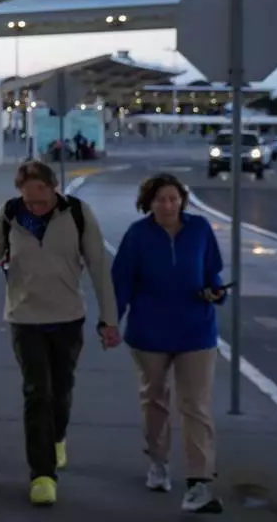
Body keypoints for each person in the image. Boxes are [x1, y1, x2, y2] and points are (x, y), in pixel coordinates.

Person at [0, 159, 120, 507]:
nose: (35, 207)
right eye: (29, 201)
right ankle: (42, 475)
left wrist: (109, 321)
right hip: (25, 318)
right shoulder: (11, 214)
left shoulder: (78, 214)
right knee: (37, 393)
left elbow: (99, 268)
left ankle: (57, 437)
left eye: (41, 200)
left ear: (53, 187)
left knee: (61, 390)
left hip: (68, 318)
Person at [111, 174, 227, 514]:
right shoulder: (137, 235)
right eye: (160, 199)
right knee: (155, 400)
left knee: (196, 406)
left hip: (197, 331)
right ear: (149, 203)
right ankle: (158, 462)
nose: (168, 205)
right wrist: (110, 323)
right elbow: (121, 283)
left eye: (174, 199)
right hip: (150, 333)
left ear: (182, 201)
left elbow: (213, 273)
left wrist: (216, 293)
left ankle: (198, 483)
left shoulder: (200, 229)